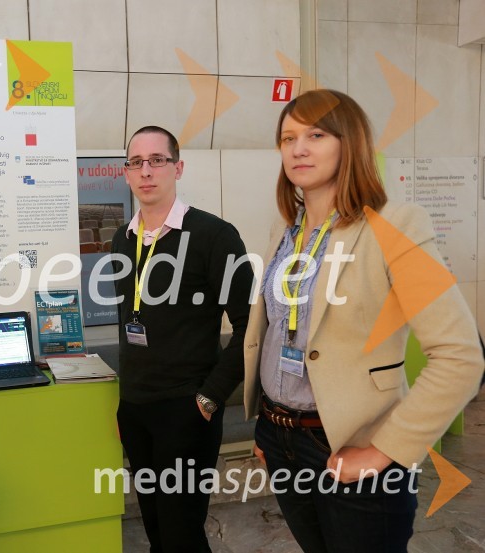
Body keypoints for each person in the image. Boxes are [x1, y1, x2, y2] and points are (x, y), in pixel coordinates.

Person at [243, 89, 484, 552]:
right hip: (282, 440)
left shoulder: (396, 224)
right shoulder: (285, 229)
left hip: (351, 445)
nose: (298, 148)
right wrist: (269, 427)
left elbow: (460, 356)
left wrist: (384, 452)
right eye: (288, 137)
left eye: (315, 134)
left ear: (348, 142)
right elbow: (277, 331)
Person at [111, 126, 254, 552]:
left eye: (157, 160)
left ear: (178, 167)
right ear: (126, 173)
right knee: (155, 527)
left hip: (187, 411)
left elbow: (251, 326)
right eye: (136, 162)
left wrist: (210, 398)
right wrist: (126, 402)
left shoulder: (214, 235)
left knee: (181, 533)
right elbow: (131, 323)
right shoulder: (124, 238)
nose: (146, 171)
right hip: (138, 410)